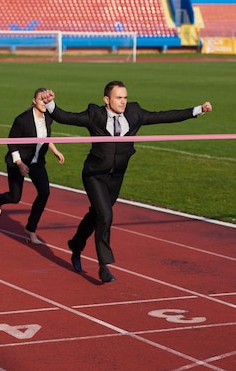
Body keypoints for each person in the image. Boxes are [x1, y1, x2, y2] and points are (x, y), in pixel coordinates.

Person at [42, 81, 212, 283]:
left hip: (116, 176)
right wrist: (51, 105)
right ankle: (103, 266)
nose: (123, 102)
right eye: (118, 97)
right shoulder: (95, 114)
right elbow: (66, 117)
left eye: (125, 97)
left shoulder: (134, 113)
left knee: (97, 214)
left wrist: (198, 110)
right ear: (106, 100)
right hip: (94, 174)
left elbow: (164, 116)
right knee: (105, 215)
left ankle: (77, 243)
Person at [0, 87, 65, 244]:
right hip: (18, 161)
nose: (44, 103)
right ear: (34, 101)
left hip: (37, 162)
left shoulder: (48, 117)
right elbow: (12, 143)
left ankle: (30, 229)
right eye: (41, 100)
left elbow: (46, 137)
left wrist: (55, 150)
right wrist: (19, 164)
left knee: (44, 192)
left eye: (46, 100)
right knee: (15, 197)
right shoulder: (22, 120)